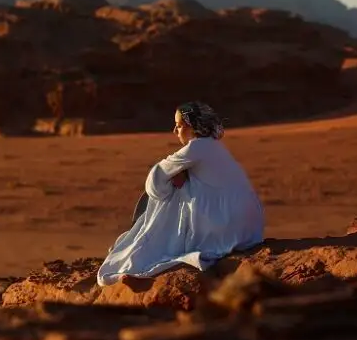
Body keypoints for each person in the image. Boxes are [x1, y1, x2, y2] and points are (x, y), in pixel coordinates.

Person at [97, 101, 264, 286]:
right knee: (179, 185)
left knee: (170, 194)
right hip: (249, 229)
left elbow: (154, 182)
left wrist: (177, 179)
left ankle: (141, 255)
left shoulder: (196, 148)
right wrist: (183, 175)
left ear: (192, 126)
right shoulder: (215, 147)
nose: (175, 132)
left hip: (225, 231)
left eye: (178, 126)